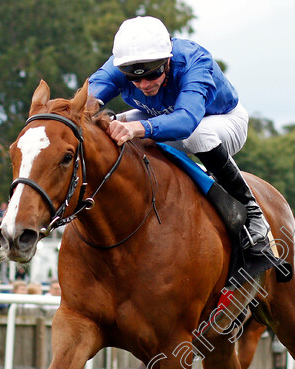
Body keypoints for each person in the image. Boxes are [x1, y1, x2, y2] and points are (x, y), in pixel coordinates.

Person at [88, 16, 275, 272]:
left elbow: (186, 120)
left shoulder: (195, 61)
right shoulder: (119, 65)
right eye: (134, 78)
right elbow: (84, 104)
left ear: (167, 59)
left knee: (195, 135)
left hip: (219, 121)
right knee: (106, 127)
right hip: (161, 117)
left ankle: (253, 214)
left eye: (152, 74)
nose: (144, 85)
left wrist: (138, 128)